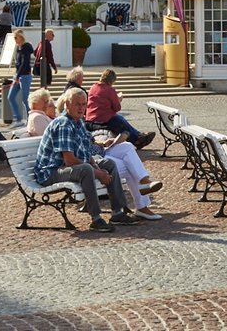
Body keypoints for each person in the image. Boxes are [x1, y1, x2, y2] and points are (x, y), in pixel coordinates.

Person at [32, 87, 137, 232]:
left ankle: (117, 213)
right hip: (50, 172)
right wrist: (98, 173)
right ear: (67, 104)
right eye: (77, 104)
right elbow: (69, 160)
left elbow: (85, 151)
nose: (81, 108)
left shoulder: (78, 121)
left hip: (67, 166)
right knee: (86, 169)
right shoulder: (63, 124)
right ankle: (96, 219)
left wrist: (97, 166)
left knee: (109, 163)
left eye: (83, 104)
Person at [85, 68, 155, 148]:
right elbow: (117, 108)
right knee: (120, 121)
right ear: (111, 81)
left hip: (90, 119)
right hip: (102, 120)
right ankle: (137, 139)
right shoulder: (110, 90)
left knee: (119, 119)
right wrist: (119, 99)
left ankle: (138, 135)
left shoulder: (93, 87)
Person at [9, 28, 35, 125]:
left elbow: (25, 63)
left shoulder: (25, 48)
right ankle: (18, 119)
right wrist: (16, 75)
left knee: (25, 99)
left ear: (20, 37)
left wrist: (18, 76)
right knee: (10, 96)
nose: (14, 39)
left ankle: (30, 119)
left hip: (24, 76)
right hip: (19, 75)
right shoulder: (19, 48)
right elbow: (19, 64)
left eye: (16, 37)